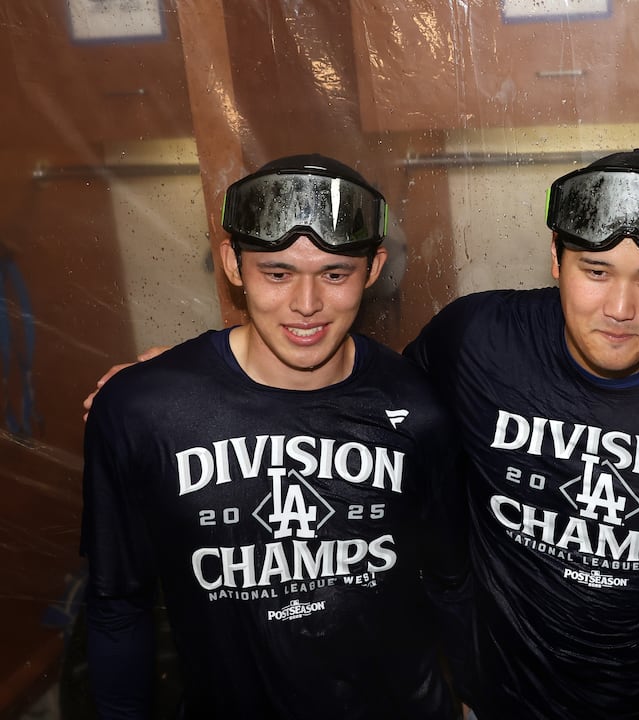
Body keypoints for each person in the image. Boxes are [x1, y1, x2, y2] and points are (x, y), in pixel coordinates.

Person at [401, 149, 639, 719]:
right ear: (556, 258)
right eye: (596, 271)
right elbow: (384, 431)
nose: (620, 308)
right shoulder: (478, 341)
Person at [81, 154, 464, 719]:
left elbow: (453, 585)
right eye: (277, 273)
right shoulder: (143, 409)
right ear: (232, 265)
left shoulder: (418, 405)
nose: (306, 306)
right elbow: (117, 603)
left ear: (374, 267)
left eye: (335, 274)